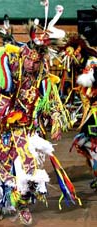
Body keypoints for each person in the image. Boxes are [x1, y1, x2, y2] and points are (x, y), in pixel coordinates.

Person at [0, 15, 81, 227]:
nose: (33, 64)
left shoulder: (40, 70)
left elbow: (49, 95)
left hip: (20, 126)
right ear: (26, 52)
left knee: (28, 167)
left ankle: (22, 203)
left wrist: (56, 118)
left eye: (37, 60)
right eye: (31, 59)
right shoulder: (5, 57)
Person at [59, 34, 97, 190]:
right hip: (90, 111)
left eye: (75, 54)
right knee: (85, 142)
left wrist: (89, 80)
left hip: (95, 111)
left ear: (80, 50)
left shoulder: (92, 63)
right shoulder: (82, 66)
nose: (74, 58)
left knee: (88, 142)